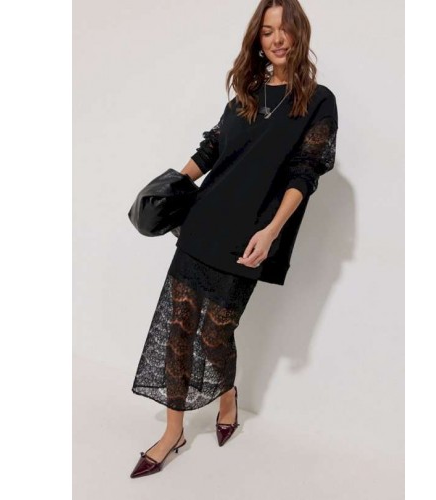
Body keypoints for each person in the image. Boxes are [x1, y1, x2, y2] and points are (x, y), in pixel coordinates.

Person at [130, 0, 338, 478]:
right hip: (204, 223)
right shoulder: (247, 91)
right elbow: (212, 148)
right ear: (257, 40)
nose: (277, 39)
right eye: (267, 31)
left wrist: (271, 231)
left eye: (284, 29)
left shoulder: (318, 100)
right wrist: (168, 189)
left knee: (214, 334)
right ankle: (173, 432)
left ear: (299, 33)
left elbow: (305, 173)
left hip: (252, 235)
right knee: (178, 330)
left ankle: (228, 395)